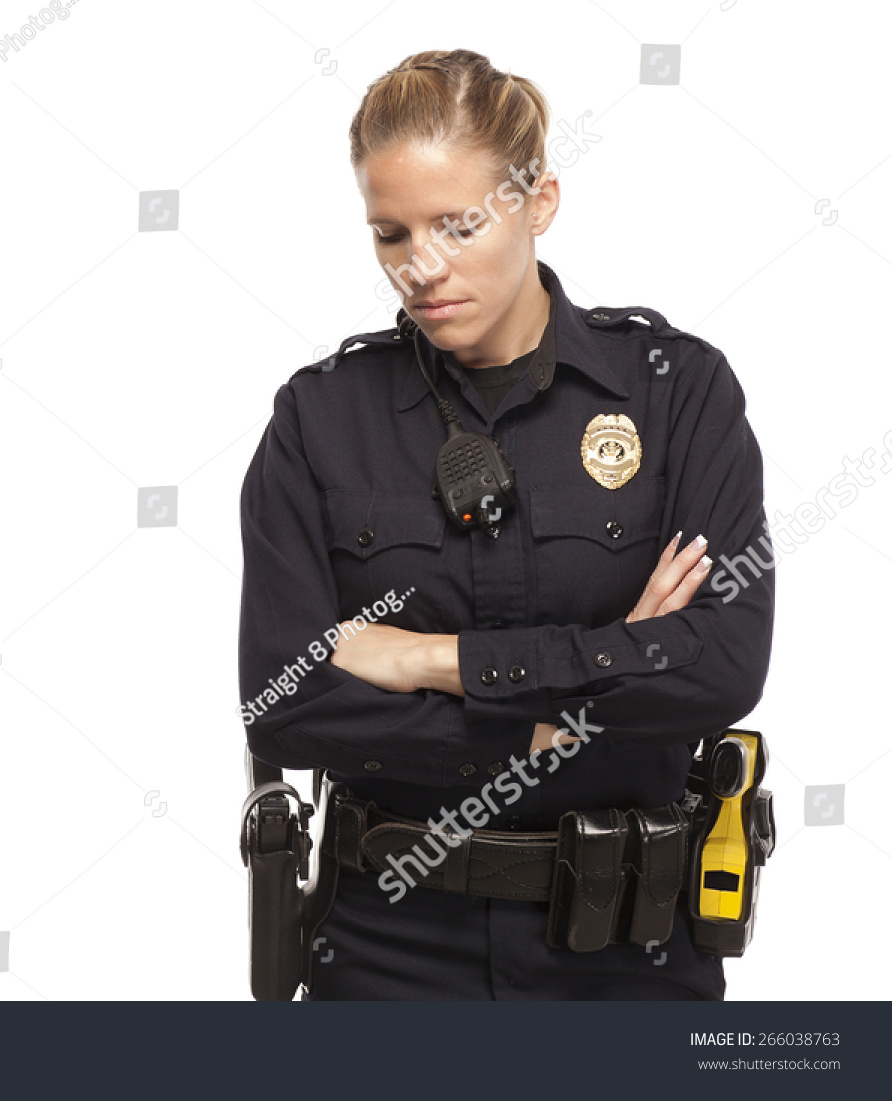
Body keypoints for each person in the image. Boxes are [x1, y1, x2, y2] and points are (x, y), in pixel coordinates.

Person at [236, 48, 775, 1000]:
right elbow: (286, 699)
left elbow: (720, 665)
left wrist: (429, 659)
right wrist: (580, 690)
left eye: (457, 224)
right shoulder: (321, 418)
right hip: (384, 949)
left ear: (540, 200)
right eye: (391, 233)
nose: (421, 267)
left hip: (626, 948)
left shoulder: (676, 394)